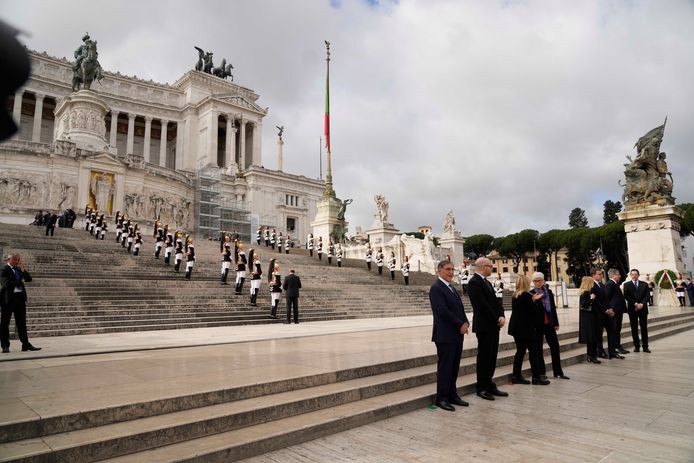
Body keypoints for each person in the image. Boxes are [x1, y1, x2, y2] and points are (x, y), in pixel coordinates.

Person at [429, 259, 470, 411]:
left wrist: (465, 322)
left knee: (454, 367)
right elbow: (442, 311)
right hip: (445, 335)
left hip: (456, 334)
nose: (451, 272)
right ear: (439, 270)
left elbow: (459, 308)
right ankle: (442, 398)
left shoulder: (451, 287)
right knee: (445, 367)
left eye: (452, 269)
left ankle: (452, 394)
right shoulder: (436, 288)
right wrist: (460, 324)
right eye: (447, 269)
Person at [468, 257, 507, 400]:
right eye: (491, 266)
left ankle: (489, 383)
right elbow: (481, 305)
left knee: (492, 356)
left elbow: (497, 302)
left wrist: (501, 315)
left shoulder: (487, 283)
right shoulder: (474, 283)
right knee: (484, 357)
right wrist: (496, 318)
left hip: (493, 325)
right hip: (484, 326)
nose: (492, 268)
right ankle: (482, 387)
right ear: (484, 267)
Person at [509, 275, 548, 385]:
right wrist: (534, 301)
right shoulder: (526, 295)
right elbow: (533, 312)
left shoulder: (516, 295)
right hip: (526, 329)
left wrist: (532, 299)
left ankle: (516, 375)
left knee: (520, 352)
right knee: (533, 352)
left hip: (517, 329)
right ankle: (536, 377)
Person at [530, 272, 569, 380]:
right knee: (538, 349)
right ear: (533, 282)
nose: (538, 283)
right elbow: (530, 312)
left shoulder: (549, 292)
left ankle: (558, 371)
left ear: (543, 281)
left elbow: (552, 308)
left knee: (555, 347)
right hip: (537, 325)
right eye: (535, 281)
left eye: (539, 280)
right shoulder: (530, 294)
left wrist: (556, 323)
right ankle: (541, 372)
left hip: (549, 324)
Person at [1, 254, 41, 352]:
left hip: (20, 299)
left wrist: (23, 269)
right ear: (9, 259)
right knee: (4, 324)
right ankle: (5, 346)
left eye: (18, 260)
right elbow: (6, 284)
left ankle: (25, 344)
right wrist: (20, 281)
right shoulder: (4, 269)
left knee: (22, 323)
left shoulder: (19, 269)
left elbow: (29, 279)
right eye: (15, 260)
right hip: (8, 300)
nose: (17, 262)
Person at [623, 268, 650, 353]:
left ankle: (645, 347)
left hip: (643, 309)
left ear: (638, 275)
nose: (634, 276)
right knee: (634, 328)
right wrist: (635, 304)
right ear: (630, 275)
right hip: (632, 309)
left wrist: (642, 304)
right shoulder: (626, 284)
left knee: (644, 328)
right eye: (632, 274)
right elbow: (626, 296)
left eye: (635, 274)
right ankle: (636, 346)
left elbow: (647, 296)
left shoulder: (644, 284)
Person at [577, 276, 601, 364]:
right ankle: (591, 356)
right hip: (588, 319)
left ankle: (591, 356)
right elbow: (584, 305)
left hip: (590, 318)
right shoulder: (585, 293)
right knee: (591, 338)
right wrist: (591, 299)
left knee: (592, 338)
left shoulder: (587, 292)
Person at [591, 267, 613, 359]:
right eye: (599, 274)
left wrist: (610, 308)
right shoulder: (591, 285)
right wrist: (605, 310)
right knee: (599, 334)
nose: (601, 276)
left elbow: (606, 299)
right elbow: (596, 301)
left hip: (606, 313)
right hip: (598, 314)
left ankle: (612, 351)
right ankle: (600, 351)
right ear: (593, 275)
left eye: (601, 274)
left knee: (611, 331)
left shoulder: (602, 285)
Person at [605, 268, 628, 357]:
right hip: (614, 312)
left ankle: (618, 346)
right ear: (614, 275)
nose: (620, 276)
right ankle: (615, 347)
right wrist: (610, 309)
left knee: (617, 329)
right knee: (615, 329)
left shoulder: (614, 284)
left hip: (618, 311)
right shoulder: (609, 284)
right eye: (618, 274)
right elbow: (607, 298)